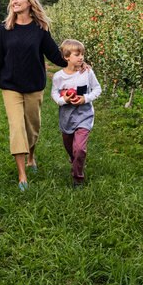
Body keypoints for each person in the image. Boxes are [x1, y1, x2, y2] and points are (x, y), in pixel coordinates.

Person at [0, 0, 68, 191]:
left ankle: (31, 156)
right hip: (10, 85)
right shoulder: (5, 29)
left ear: (29, 2)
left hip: (33, 85)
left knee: (33, 126)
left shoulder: (40, 29)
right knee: (17, 127)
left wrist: (76, 63)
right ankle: (22, 175)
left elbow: (54, 56)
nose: (14, 0)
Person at [50, 39, 101, 187]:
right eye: (77, 54)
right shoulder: (59, 76)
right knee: (70, 146)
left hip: (84, 116)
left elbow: (97, 89)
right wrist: (63, 99)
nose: (81, 58)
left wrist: (85, 98)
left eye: (82, 54)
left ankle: (78, 178)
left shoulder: (87, 72)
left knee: (79, 148)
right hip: (67, 117)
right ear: (67, 57)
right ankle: (75, 160)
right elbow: (54, 94)